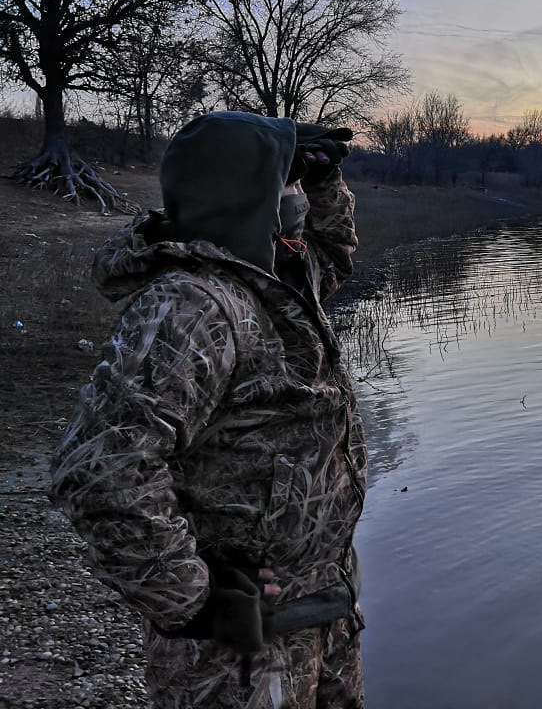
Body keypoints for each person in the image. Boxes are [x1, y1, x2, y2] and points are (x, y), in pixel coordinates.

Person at [50, 112, 368, 708]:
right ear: (246, 197)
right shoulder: (195, 305)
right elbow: (100, 472)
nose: (296, 198)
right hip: (241, 654)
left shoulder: (277, 279)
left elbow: (335, 252)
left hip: (323, 615)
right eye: (286, 182)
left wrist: (325, 180)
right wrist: (197, 601)